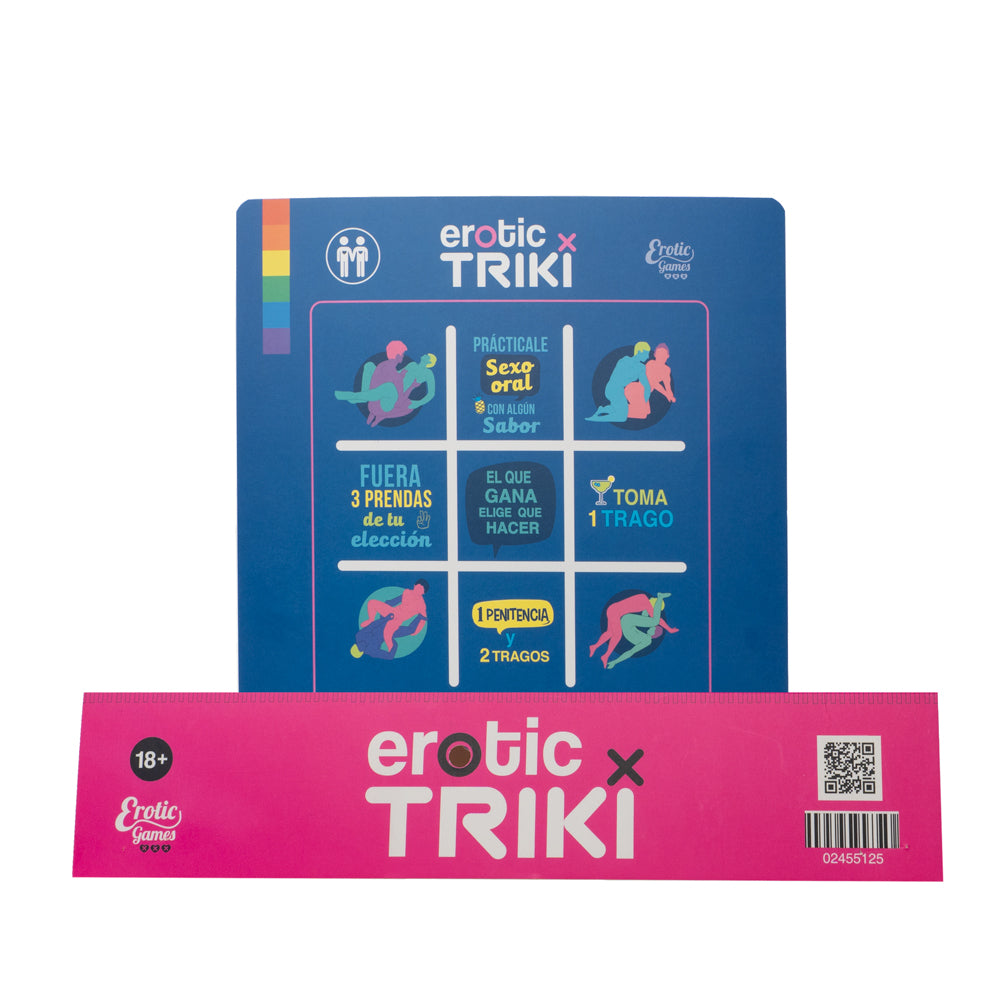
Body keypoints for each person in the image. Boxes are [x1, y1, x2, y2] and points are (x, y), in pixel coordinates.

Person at [335, 351, 437, 426]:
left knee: (389, 389)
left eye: (427, 356)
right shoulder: (412, 365)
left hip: (400, 396)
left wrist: (419, 403)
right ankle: (364, 398)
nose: (424, 355)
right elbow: (398, 373)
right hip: (393, 385)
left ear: (429, 361)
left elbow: (431, 393)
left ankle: (361, 400)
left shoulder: (428, 374)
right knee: (370, 367)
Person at [589, 591, 678, 669]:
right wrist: (669, 629)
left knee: (610, 633)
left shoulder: (646, 639)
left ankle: (595, 647)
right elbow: (657, 620)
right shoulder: (645, 602)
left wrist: (615, 662)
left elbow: (630, 652)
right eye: (655, 609)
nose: (652, 628)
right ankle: (605, 655)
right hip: (619, 615)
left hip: (616, 612)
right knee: (617, 635)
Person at [351, 580, 429, 659]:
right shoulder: (372, 651)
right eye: (360, 649)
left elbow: (372, 625)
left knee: (372, 603)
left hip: (388, 617)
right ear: (362, 652)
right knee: (405, 631)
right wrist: (394, 645)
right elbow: (390, 656)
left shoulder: (359, 636)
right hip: (390, 630)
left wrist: (386, 618)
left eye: (358, 646)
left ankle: (370, 619)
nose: (361, 646)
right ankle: (390, 637)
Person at [587, 342, 652, 422]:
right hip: (612, 389)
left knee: (624, 410)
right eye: (646, 354)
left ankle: (603, 409)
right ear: (639, 352)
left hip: (620, 390)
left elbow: (646, 386)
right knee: (622, 417)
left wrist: (644, 401)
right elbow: (618, 378)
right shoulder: (625, 361)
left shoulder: (641, 367)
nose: (648, 357)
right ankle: (596, 418)